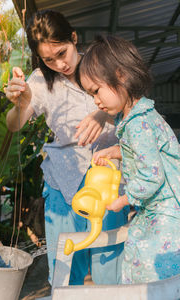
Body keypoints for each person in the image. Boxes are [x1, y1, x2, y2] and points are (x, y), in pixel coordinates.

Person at [5, 10, 129, 286]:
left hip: (108, 181)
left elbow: (131, 101)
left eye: (62, 53)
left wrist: (103, 114)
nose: (59, 64)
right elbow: (13, 124)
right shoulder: (39, 80)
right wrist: (21, 103)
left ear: (73, 38)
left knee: (109, 267)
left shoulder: (102, 66)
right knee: (64, 270)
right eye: (49, 60)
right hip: (64, 184)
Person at [78, 34, 180, 284]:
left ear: (121, 75)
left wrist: (122, 200)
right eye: (91, 95)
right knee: (135, 254)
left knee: (154, 273)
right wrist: (114, 151)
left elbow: (151, 176)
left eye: (97, 91)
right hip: (154, 208)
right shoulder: (135, 117)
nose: (96, 101)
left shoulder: (138, 122)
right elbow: (145, 153)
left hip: (167, 211)